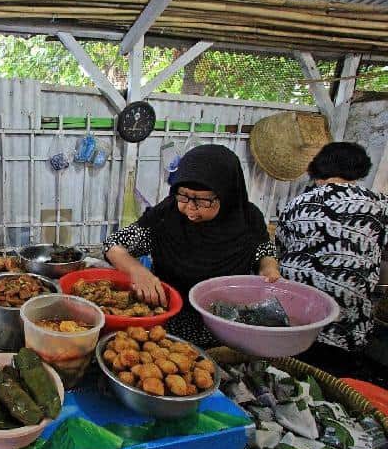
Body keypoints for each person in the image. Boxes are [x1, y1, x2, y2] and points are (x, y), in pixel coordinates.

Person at [104, 144, 280, 347]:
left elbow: (263, 250)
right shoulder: (167, 214)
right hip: (167, 326)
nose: (189, 207)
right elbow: (114, 245)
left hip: (225, 327)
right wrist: (138, 270)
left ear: (227, 194)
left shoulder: (248, 217)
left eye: (203, 201)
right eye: (183, 195)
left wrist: (269, 267)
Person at [277, 142, 388, 374]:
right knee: (332, 381)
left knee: (288, 372)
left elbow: (282, 249)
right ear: (359, 170)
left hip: (298, 312)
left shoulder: (295, 204)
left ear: (318, 169)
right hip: (347, 314)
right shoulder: (378, 204)